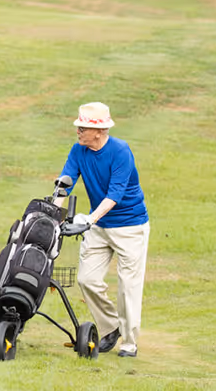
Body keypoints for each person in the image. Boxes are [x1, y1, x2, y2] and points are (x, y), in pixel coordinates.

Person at [57, 102, 150, 358]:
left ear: (99, 131)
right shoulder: (78, 150)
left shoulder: (120, 151)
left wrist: (89, 220)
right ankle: (111, 326)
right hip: (99, 225)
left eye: (83, 127)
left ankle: (129, 343)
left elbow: (114, 195)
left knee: (128, 287)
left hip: (130, 226)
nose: (78, 131)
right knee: (86, 279)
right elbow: (65, 183)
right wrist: (52, 212)